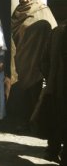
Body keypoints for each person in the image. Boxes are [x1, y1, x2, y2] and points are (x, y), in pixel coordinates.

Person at [11, 0, 57, 131]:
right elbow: (16, 34)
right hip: (23, 57)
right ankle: (24, 121)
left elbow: (52, 31)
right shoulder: (17, 13)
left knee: (36, 91)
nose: (24, 0)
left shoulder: (43, 10)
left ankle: (36, 123)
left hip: (38, 59)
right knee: (23, 90)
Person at [31, 20, 67, 165]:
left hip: (56, 86)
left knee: (57, 119)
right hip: (58, 86)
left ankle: (52, 150)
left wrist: (51, 77)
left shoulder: (57, 31)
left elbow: (43, 61)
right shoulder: (58, 32)